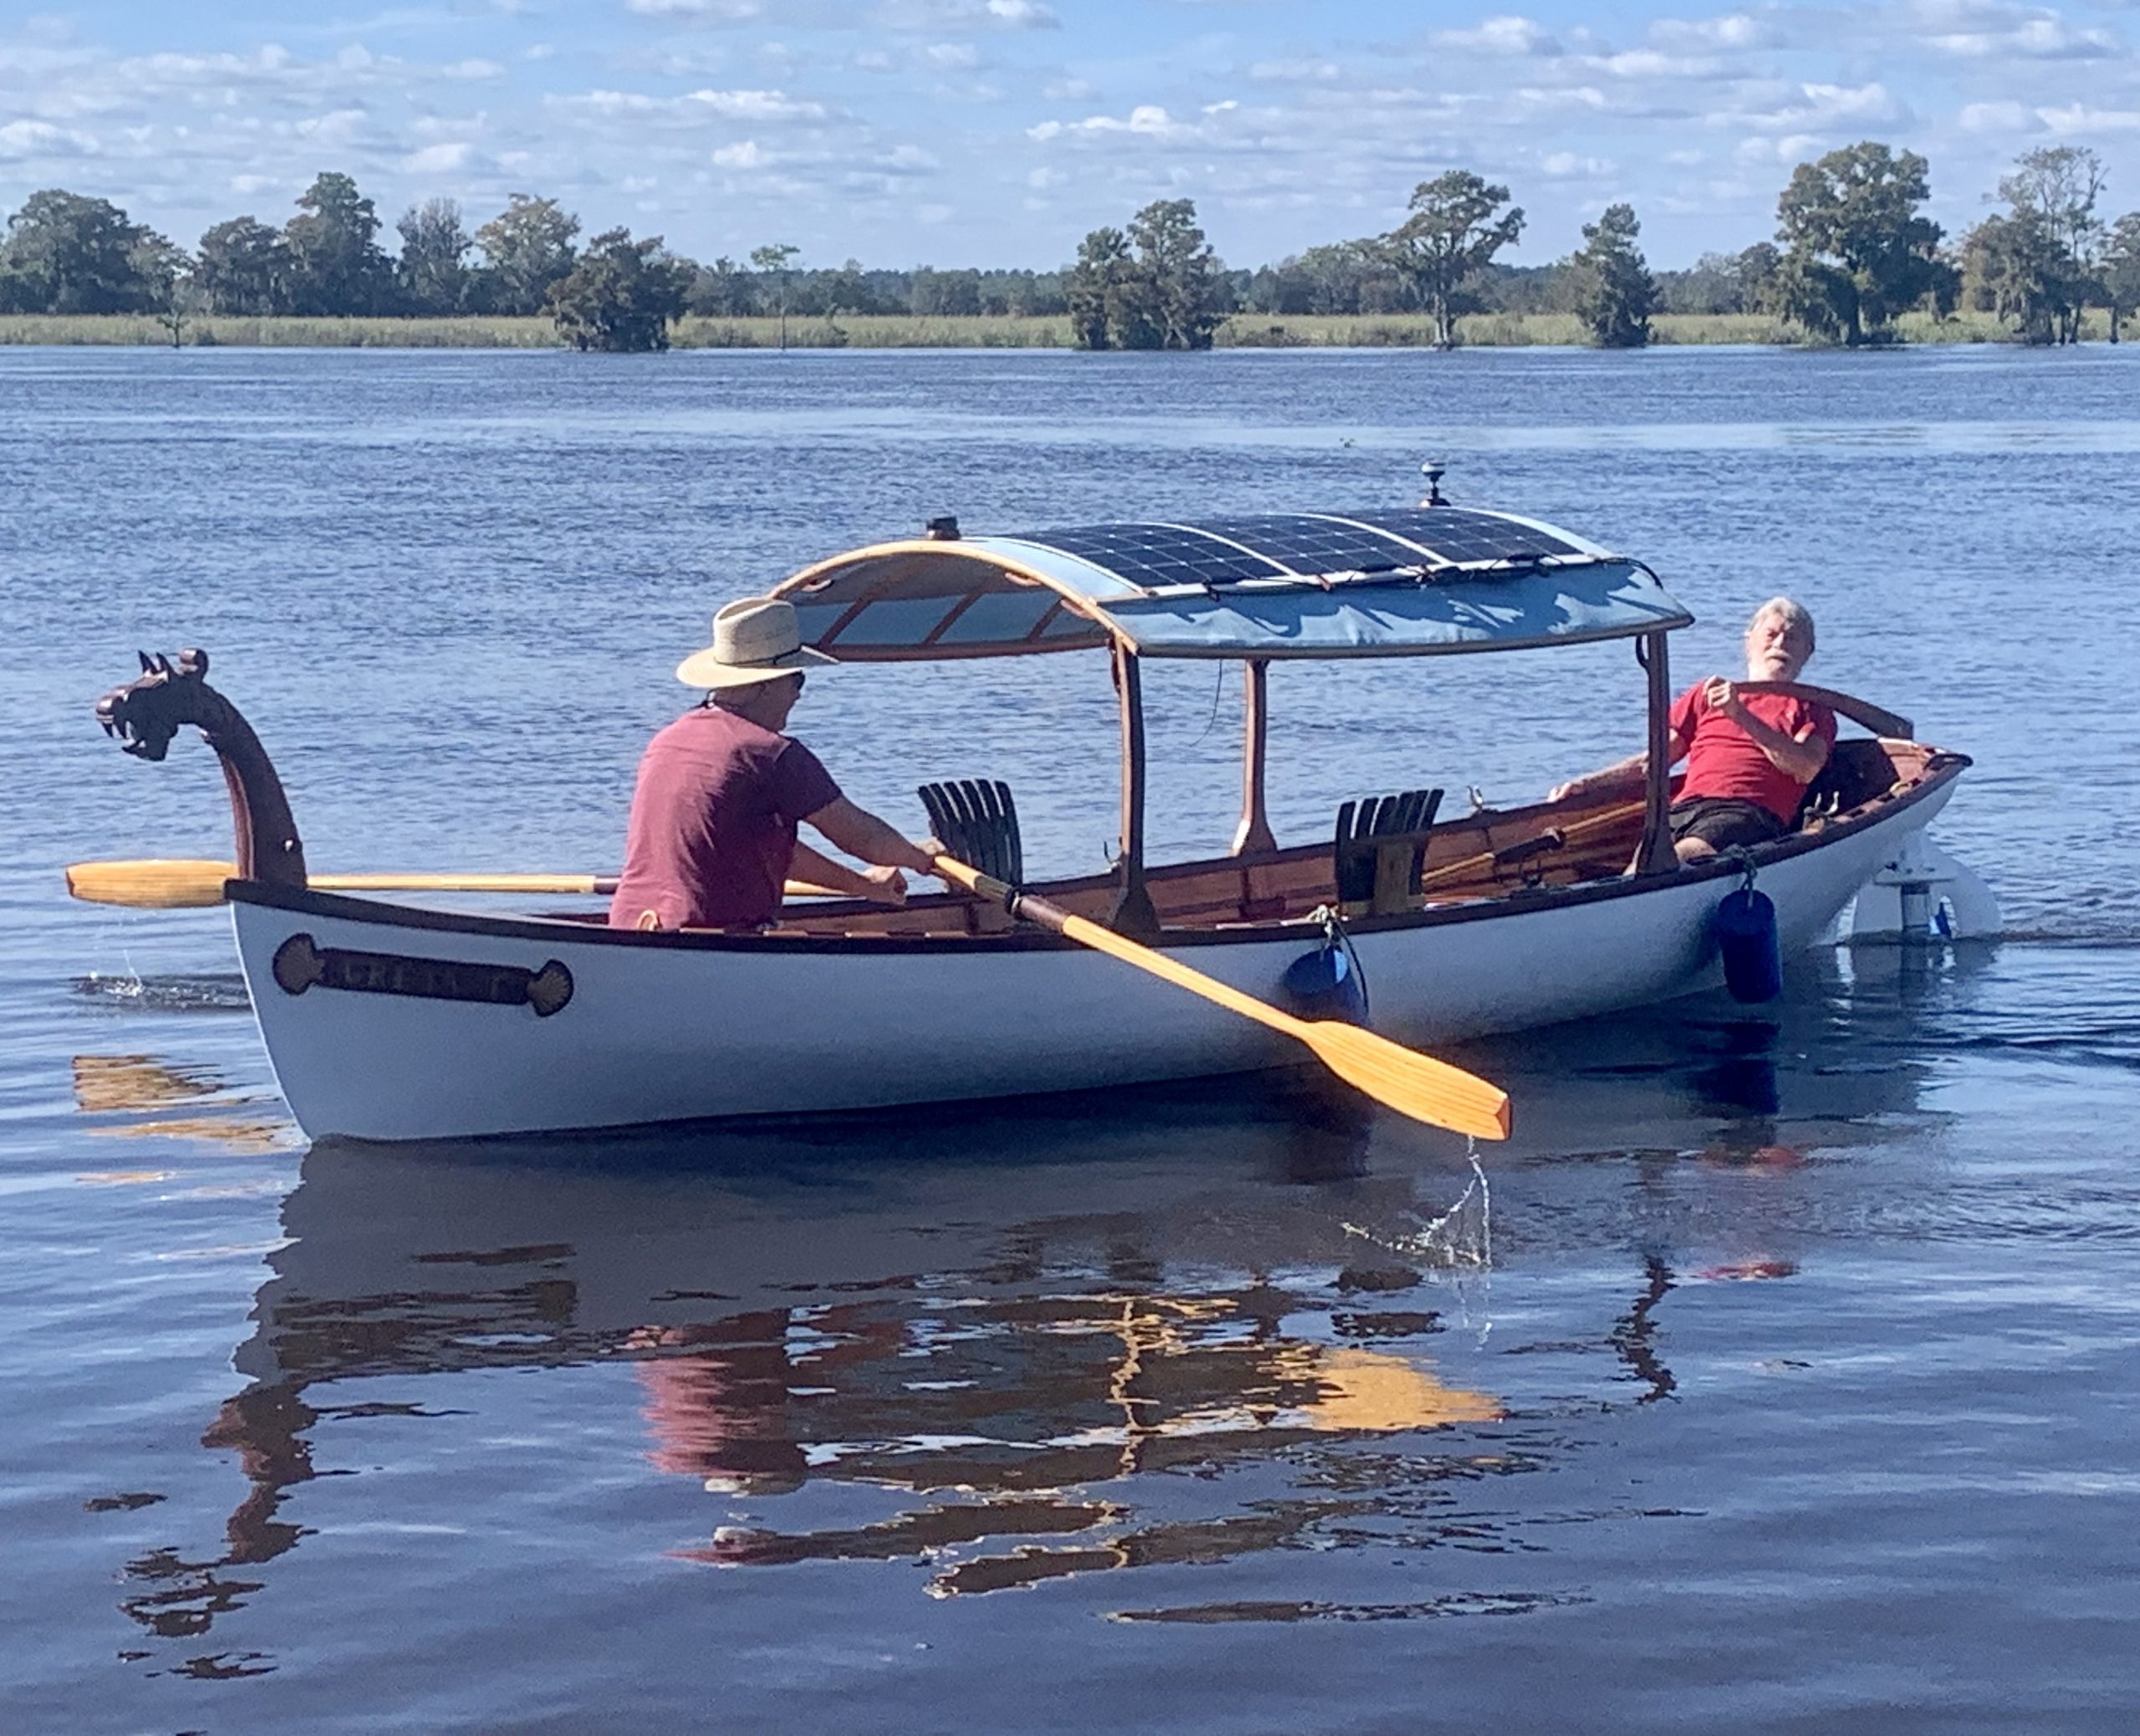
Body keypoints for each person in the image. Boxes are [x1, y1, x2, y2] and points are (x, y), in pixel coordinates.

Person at [609, 596, 939, 931]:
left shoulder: (667, 741)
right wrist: (919, 857)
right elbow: (860, 837)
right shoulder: (771, 754)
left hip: (629, 926)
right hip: (710, 936)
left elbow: (772, 850)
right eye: (797, 679)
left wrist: (864, 887)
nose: (799, 694)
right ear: (763, 685)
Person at [1551, 598, 1836, 864]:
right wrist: (1589, 784)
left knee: (1684, 857)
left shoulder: (1813, 707)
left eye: (1793, 637)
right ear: (1750, 643)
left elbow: (1805, 767)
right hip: (1683, 809)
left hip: (1747, 813)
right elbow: (1653, 762)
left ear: (1808, 651)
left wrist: (1741, 716)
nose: (1780, 643)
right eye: (1771, 635)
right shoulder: (1706, 694)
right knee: (1643, 865)